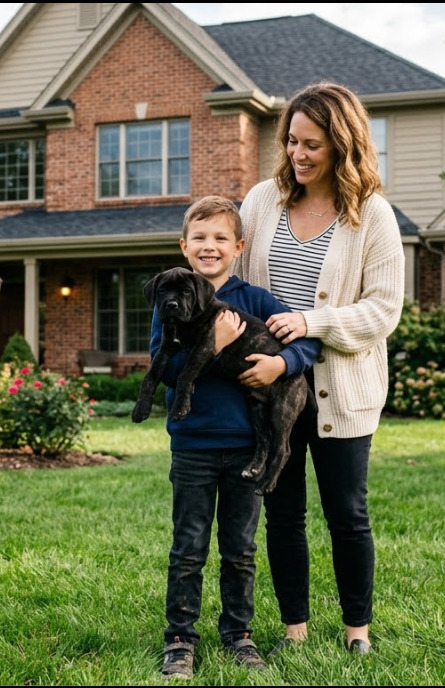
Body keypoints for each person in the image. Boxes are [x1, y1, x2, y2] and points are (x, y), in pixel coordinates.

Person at [233, 81, 406, 656]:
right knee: (282, 511)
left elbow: (383, 309)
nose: (297, 155)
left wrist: (312, 323)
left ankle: (358, 632)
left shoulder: (372, 216)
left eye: (312, 145)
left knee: (346, 513)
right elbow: (233, 285)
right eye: (290, 142)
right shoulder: (261, 203)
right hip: (273, 385)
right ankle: (294, 630)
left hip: (343, 386)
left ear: (343, 145)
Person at [153, 195, 322, 679]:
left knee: (240, 549)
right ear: (184, 247)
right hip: (193, 446)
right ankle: (180, 638)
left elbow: (306, 341)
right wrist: (218, 344)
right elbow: (164, 371)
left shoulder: (254, 300)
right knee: (188, 546)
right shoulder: (170, 298)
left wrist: (280, 364)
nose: (210, 247)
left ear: (239, 246)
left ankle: (237, 634)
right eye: (200, 239)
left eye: (220, 238)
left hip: (247, 447)